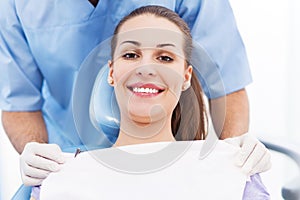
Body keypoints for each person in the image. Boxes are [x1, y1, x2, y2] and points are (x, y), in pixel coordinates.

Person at [0, 0, 270, 188]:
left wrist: (233, 163)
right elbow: (18, 101)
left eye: (164, 57)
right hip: (66, 155)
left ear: (186, 76)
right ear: (111, 72)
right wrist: (40, 160)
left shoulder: (212, 187)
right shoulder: (56, 190)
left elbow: (227, 81)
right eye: (130, 54)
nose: (145, 69)